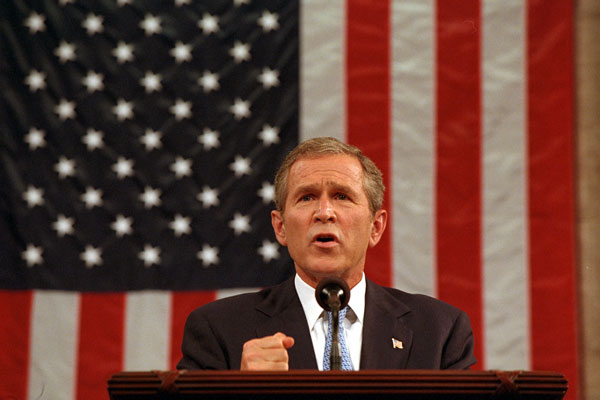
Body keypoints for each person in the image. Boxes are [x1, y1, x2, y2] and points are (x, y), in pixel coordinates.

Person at [177, 137, 476, 371]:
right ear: (280, 228)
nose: (324, 212)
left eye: (342, 196)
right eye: (306, 197)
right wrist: (238, 392)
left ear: (376, 227)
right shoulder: (219, 330)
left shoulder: (439, 332)